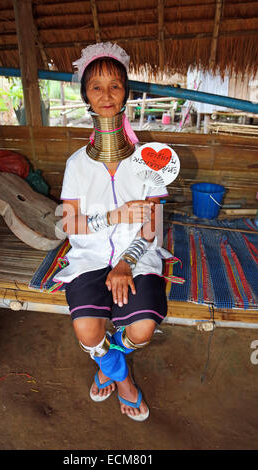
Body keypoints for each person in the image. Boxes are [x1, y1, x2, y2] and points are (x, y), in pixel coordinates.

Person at [54, 42, 170, 422]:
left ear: (126, 94)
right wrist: (115, 216)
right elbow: (69, 224)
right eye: (96, 86)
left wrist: (126, 263)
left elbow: (152, 225)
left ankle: (108, 362)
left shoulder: (150, 159)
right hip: (88, 256)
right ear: (85, 95)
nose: (106, 94)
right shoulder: (76, 164)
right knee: (88, 333)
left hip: (138, 258)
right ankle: (121, 378)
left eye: (115, 85)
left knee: (142, 330)